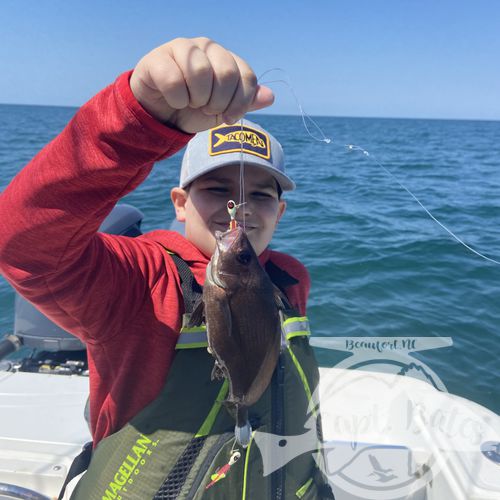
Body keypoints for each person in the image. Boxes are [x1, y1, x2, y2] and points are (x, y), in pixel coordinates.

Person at [0, 37, 334, 499]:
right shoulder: (140, 278)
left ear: (280, 213)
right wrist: (137, 121)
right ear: (180, 203)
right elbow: (23, 246)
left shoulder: (290, 278)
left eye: (262, 195)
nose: (240, 209)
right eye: (217, 190)